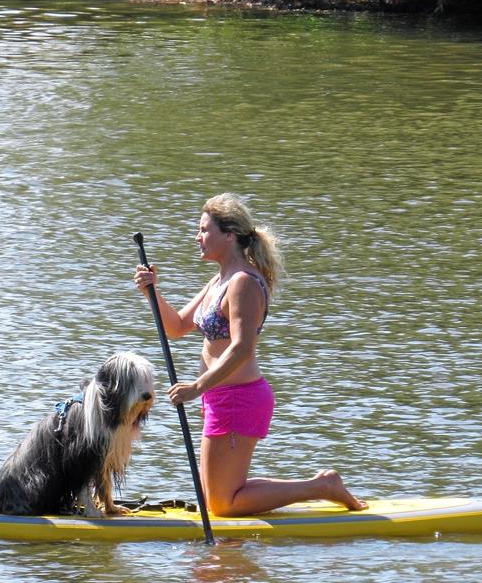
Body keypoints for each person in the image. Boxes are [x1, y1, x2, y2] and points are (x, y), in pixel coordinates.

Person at [134, 193, 367, 517]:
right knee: (217, 499)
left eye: (204, 230)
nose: (197, 237)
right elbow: (175, 327)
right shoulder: (219, 280)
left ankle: (322, 486)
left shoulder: (243, 283)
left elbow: (243, 348)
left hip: (237, 398)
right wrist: (152, 291)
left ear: (229, 235)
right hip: (219, 398)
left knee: (222, 505)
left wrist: (197, 387)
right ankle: (313, 490)